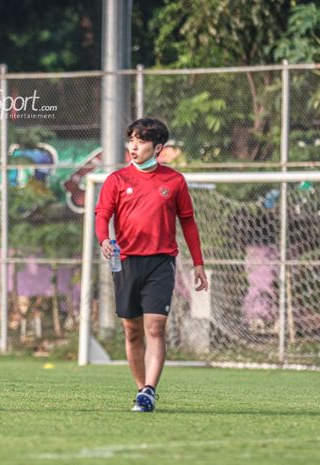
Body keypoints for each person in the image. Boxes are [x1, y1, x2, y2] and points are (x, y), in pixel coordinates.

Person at [94, 118, 208, 412]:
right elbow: (102, 215)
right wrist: (104, 240)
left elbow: (188, 223)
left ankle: (149, 390)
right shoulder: (117, 181)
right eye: (131, 139)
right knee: (132, 331)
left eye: (141, 141)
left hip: (161, 262)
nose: (134, 146)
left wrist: (198, 263)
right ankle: (140, 389)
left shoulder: (174, 181)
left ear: (157, 148)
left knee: (155, 328)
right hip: (127, 263)